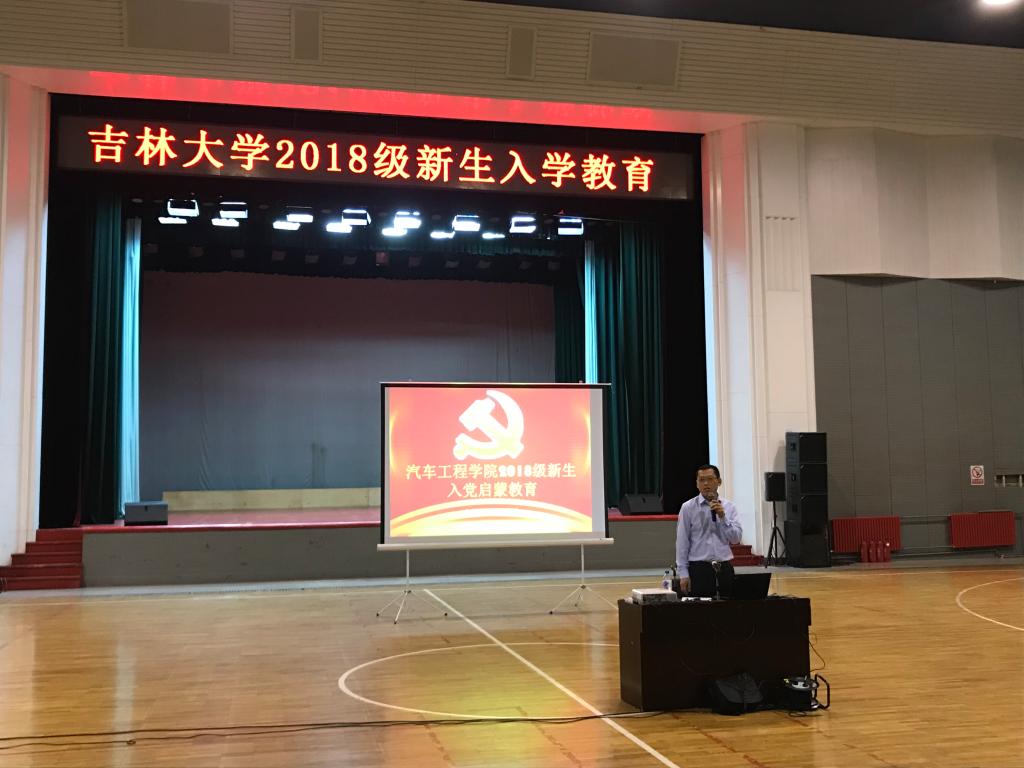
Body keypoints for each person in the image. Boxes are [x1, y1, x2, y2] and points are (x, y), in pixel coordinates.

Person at [675, 464, 743, 597]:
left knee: (728, 606)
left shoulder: (729, 507)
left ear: (719, 481)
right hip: (698, 568)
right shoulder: (688, 507)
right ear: (696, 484)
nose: (706, 483)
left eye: (710, 479)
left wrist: (723, 517)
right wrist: (683, 573)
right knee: (701, 608)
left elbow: (736, 539)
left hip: (724, 567)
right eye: (701, 480)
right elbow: (682, 542)